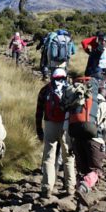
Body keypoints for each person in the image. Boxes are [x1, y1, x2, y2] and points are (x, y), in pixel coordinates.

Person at [63, 77, 106, 206]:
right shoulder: (105, 105)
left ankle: (80, 206)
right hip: (95, 142)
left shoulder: (75, 103)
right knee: (95, 172)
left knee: (82, 172)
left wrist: (69, 145)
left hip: (76, 140)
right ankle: (84, 187)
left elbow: (66, 126)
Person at [35, 68, 75, 198]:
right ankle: (70, 187)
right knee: (68, 157)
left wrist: (39, 129)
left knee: (48, 157)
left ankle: (47, 187)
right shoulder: (70, 89)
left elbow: (39, 112)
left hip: (50, 124)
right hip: (66, 126)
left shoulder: (45, 89)